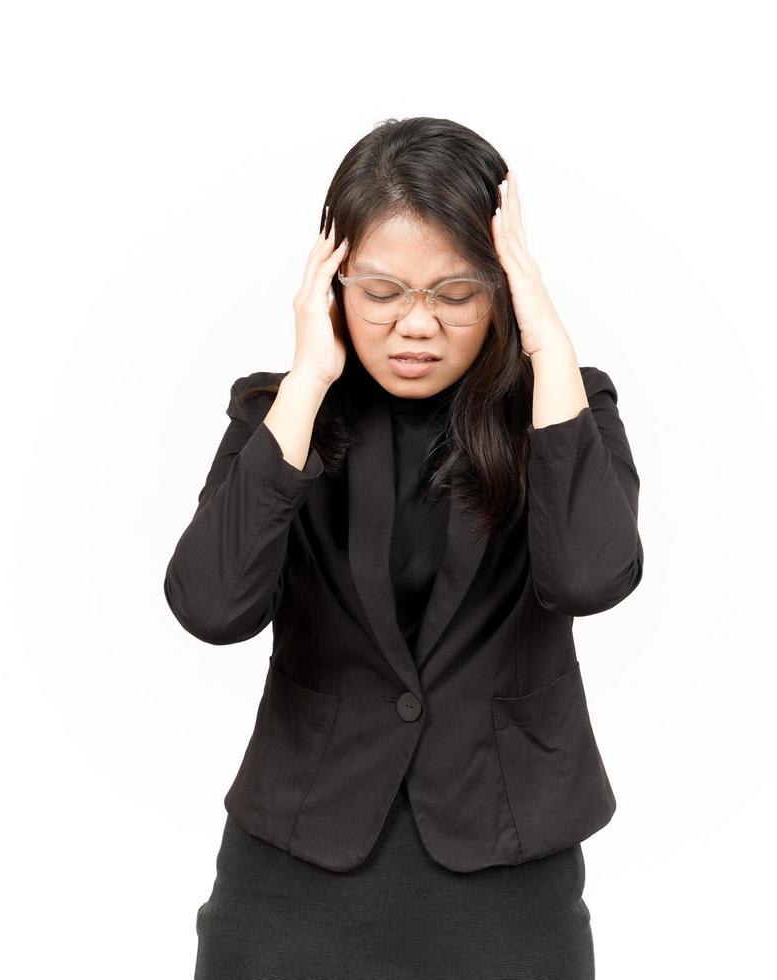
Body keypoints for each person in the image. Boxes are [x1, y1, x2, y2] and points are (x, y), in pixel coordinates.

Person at [165, 117, 644, 980]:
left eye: (455, 293)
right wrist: (308, 378)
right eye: (382, 292)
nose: (415, 326)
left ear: (502, 285)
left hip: (506, 869)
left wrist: (550, 348)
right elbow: (211, 607)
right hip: (293, 874)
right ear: (334, 283)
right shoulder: (279, 416)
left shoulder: (563, 409)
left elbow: (591, 574)